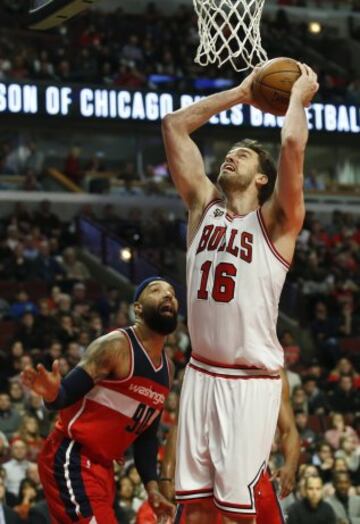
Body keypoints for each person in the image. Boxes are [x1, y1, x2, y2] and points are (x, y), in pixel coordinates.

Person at [162, 61, 318, 523]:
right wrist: (241, 92)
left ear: (263, 179)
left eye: (243, 156)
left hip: (249, 384)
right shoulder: (201, 207)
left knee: (236, 515)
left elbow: (290, 143)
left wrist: (297, 98)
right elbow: (174, 126)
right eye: (228, 152)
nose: (230, 156)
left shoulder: (276, 223)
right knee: (192, 512)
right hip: (201, 372)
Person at [21, 277, 177, 523]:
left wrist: (153, 489)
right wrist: (52, 393)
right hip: (72, 457)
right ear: (137, 308)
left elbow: (146, 436)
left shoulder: (168, 370)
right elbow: (65, 394)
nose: (168, 295)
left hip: (103, 469)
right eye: (156, 291)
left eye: (172, 293)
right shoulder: (116, 346)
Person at [160, 370, 300, 523]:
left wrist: (290, 465)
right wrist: (167, 475)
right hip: (207, 471)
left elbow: (288, 429)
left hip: (253, 472)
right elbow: (181, 424)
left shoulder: (272, 367)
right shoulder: (206, 360)